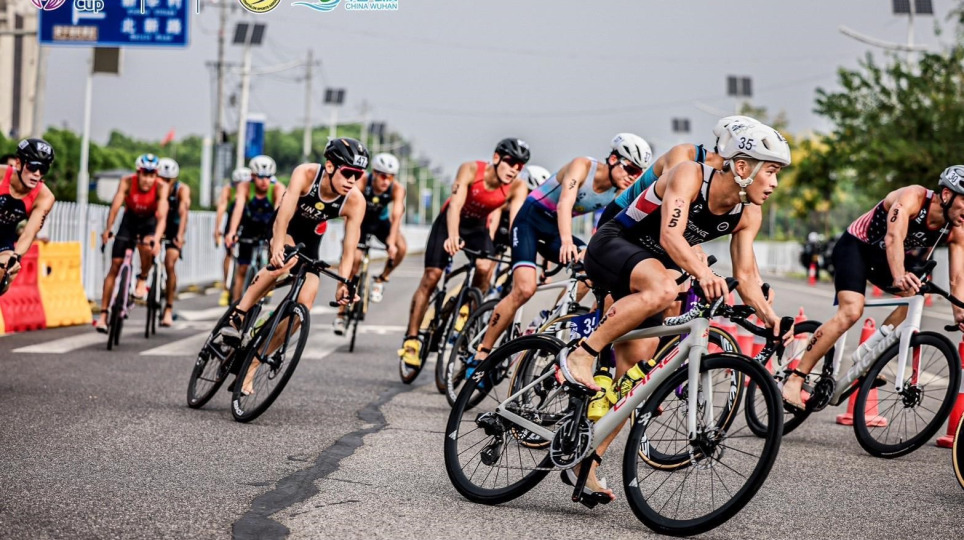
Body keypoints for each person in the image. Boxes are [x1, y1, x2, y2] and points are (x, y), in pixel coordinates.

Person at [560, 122, 792, 501]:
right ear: (742, 167)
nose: (775, 183)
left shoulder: (748, 214)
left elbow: (748, 277)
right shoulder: (690, 175)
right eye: (770, 171)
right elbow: (670, 235)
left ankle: (587, 464)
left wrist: (771, 317)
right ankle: (581, 355)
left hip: (651, 268)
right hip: (615, 244)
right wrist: (703, 272)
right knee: (665, 288)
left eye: (777, 173)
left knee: (634, 382)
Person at [782, 165, 964, 410]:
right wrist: (899, 275)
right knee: (851, 311)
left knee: (914, 296)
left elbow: (958, 277)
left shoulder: (956, 230)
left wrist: (959, 312)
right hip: (856, 247)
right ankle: (795, 379)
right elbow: (893, 237)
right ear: (946, 194)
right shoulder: (914, 197)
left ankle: (868, 357)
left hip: (884, 260)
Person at [471, 134, 653, 366]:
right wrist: (567, 241)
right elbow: (565, 202)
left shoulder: (618, 193)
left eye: (639, 173)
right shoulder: (582, 166)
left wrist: (593, 252)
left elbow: (605, 227)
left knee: (590, 271)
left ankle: (551, 319)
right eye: (631, 169)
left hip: (554, 231)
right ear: (613, 159)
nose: (633, 177)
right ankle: (482, 352)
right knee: (525, 289)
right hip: (529, 222)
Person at [217, 139, 368, 377]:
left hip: (311, 240)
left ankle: (252, 365)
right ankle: (237, 317)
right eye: (348, 173)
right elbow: (284, 213)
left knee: (304, 305)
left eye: (357, 175)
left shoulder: (356, 201)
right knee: (285, 261)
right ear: (330, 166)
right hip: (285, 227)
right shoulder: (306, 174)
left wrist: (344, 283)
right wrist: (278, 245)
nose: (352, 180)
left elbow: (349, 249)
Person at [398, 138, 530, 369]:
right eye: (510, 162)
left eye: (520, 166)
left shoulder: (517, 187)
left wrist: (523, 255)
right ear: (496, 158)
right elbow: (455, 206)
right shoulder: (470, 169)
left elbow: (515, 225)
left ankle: (467, 308)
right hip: (449, 222)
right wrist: (452, 236)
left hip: (477, 228)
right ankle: (411, 339)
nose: (514, 170)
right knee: (431, 277)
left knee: (485, 267)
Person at [597, 115, 757, 227]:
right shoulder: (685, 154)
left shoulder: (731, 181)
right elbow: (667, 204)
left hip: (652, 228)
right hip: (620, 216)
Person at [333, 152, 406, 334]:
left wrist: (391, 242)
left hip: (381, 223)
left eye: (391, 177)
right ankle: (341, 315)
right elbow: (348, 212)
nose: (386, 181)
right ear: (374, 173)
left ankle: (381, 279)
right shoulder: (362, 182)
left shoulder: (397, 189)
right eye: (383, 176)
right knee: (354, 261)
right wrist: (348, 241)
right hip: (360, 222)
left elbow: (396, 216)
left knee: (401, 248)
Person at [96, 154, 170, 332]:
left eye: (151, 176)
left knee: (146, 245)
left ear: (156, 176)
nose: (147, 180)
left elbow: (162, 216)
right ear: (138, 173)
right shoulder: (127, 182)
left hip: (149, 222)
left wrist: (157, 239)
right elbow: (115, 207)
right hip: (129, 220)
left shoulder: (161, 187)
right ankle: (103, 315)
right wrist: (108, 229)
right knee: (115, 265)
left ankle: (142, 278)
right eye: (144, 175)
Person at [225, 155, 286, 303]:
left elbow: (279, 214)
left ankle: (267, 283)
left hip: (269, 225)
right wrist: (232, 232)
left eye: (268, 177)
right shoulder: (244, 186)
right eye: (260, 177)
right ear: (252, 176)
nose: (264, 181)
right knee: (242, 268)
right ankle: (235, 303)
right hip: (250, 225)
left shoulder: (278, 188)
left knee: (273, 255)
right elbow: (238, 209)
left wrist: (277, 237)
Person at [0, 139, 56, 293]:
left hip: (4, 238)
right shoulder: (1, 175)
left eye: (43, 169)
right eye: (32, 167)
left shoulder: (45, 197)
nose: (37, 174)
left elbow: (29, 234)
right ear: (18, 163)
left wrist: (16, 257)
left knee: (5, 270)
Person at [157, 157, 190, 327]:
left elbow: (184, 213)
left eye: (168, 180)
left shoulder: (181, 190)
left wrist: (180, 235)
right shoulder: (153, 188)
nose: (164, 183)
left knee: (170, 264)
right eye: (161, 179)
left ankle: (168, 308)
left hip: (174, 229)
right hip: (156, 226)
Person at [215, 167, 251, 306]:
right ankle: (226, 287)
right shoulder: (228, 189)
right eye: (237, 183)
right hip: (232, 222)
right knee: (229, 252)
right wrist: (217, 228)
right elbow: (221, 208)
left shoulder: (251, 190)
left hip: (248, 222)